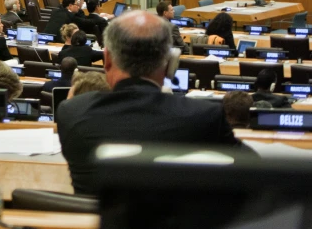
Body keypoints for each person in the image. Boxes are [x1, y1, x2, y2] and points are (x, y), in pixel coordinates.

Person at [56, 10, 245, 196]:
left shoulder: (70, 112)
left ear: (107, 61)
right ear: (170, 64)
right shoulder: (205, 117)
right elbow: (258, 174)